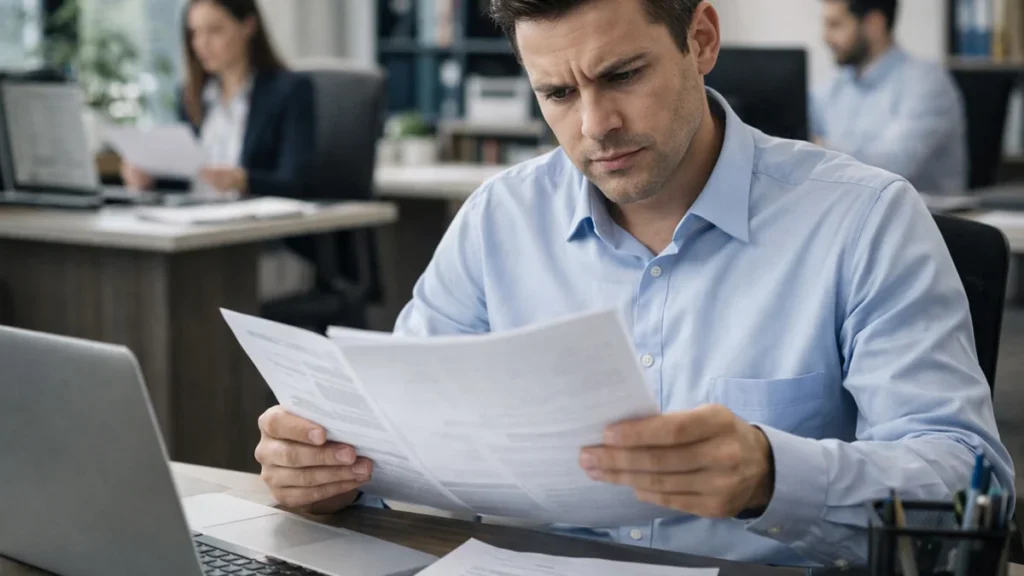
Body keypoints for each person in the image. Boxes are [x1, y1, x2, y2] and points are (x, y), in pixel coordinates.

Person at [252, 0, 1012, 568]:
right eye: (556, 93)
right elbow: (397, 430)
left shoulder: (865, 219)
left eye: (622, 75)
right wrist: (331, 468)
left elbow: (963, 481)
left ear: (701, 39)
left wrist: (771, 474)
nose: (594, 125)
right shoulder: (498, 221)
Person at [121, 0, 314, 199]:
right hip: (194, 216)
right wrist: (150, 179)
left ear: (248, 26)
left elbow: (297, 183)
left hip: (252, 221)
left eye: (214, 30)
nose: (201, 43)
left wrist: (242, 180)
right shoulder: (191, 96)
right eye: (195, 32)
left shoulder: (289, 91)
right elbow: (189, 178)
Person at [812, 0, 968, 193]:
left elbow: (895, 165)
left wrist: (819, 150)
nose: (825, 37)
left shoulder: (926, 83)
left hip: (923, 218)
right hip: (852, 215)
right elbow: (800, 132)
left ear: (874, 25)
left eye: (835, 25)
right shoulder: (834, 86)